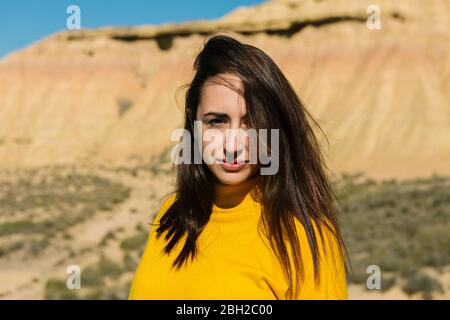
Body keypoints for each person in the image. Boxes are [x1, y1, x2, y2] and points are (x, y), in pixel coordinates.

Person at [128, 34, 349, 300]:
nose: (233, 145)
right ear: (194, 123)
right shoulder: (173, 213)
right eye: (217, 122)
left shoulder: (307, 235)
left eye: (251, 122)